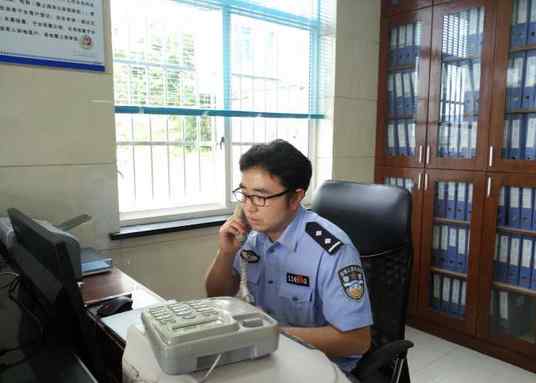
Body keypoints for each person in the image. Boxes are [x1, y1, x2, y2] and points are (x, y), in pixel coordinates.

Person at [205, 139, 372, 374]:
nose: (249, 208)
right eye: (244, 194)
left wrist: (271, 334)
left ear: (295, 199)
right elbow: (216, 295)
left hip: (321, 365)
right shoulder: (250, 236)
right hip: (268, 355)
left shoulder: (332, 250)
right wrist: (226, 252)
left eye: (261, 197)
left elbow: (357, 341)